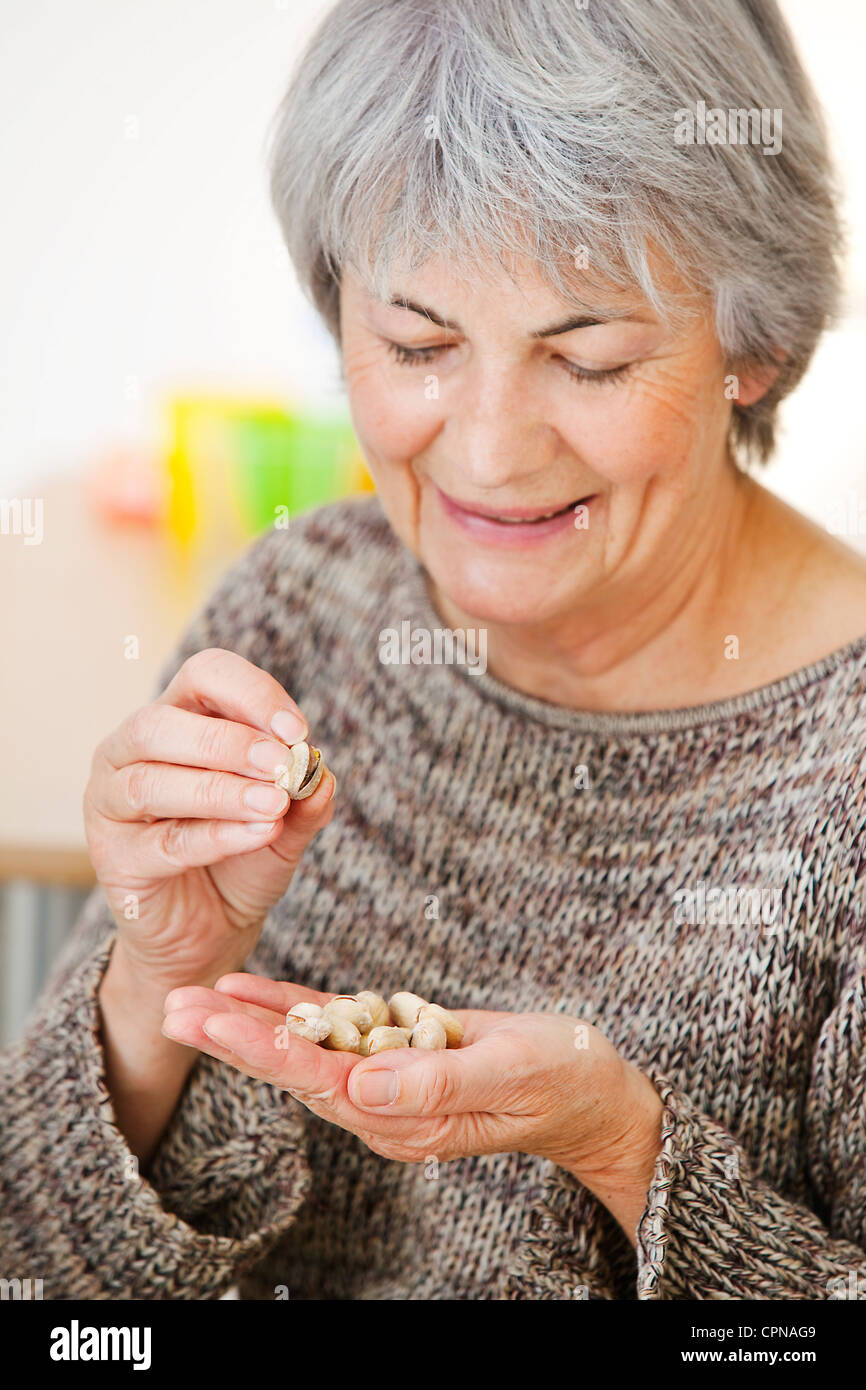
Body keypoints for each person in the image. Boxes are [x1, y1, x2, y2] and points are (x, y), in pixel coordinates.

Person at [2, 0, 865, 1299]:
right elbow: (44, 1281)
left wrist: (622, 1148)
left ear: (753, 344)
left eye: (588, 358)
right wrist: (156, 976)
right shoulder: (302, 609)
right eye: (417, 345)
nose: (486, 450)